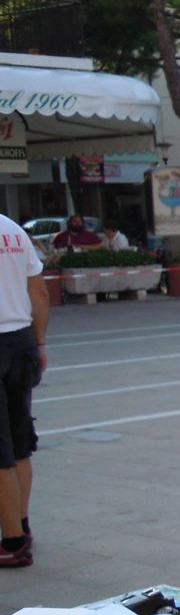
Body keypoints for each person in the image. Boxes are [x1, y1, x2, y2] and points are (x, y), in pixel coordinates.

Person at [0, 214, 45, 568]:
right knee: (19, 445)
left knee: (0, 452)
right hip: (21, 339)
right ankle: (23, 524)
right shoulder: (13, 230)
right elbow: (39, 291)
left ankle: (12, 541)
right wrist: (39, 341)